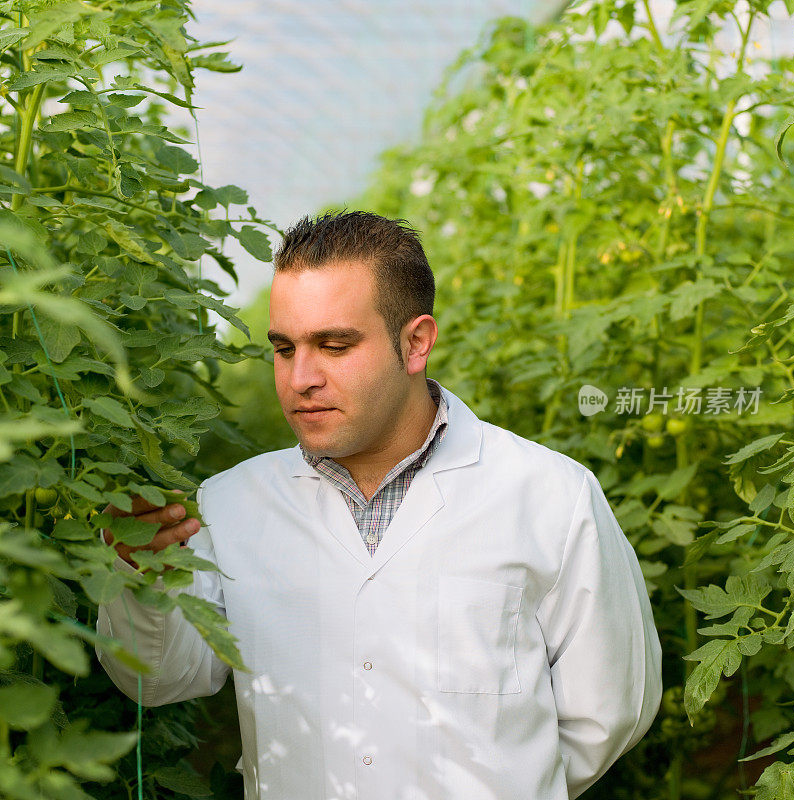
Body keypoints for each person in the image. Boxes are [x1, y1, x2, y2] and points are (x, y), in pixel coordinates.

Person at [96, 210, 662, 800]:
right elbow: (162, 679)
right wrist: (143, 578)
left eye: (334, 345)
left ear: (415, 343)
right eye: (284, 349)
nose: (301, 378)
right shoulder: (233, 504)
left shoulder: (549, 495)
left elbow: (609, 708)